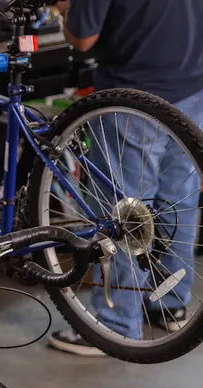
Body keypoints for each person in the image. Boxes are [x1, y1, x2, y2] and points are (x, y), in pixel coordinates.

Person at [48, 0, 203, 356]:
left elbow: (83, 38)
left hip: (134, 95)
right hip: (194, 85)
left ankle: (116, 324)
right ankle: (170, 305)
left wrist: (66, 9)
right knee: (177, 200)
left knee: (123, 210)